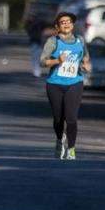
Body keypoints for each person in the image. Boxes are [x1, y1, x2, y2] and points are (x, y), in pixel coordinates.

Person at [40, 12, 91, 160]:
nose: (66, 24)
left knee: (71, 118)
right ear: (57, 26)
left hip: (75, 83)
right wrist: (57, 61)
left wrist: (86, 65)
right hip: (55, 84)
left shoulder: (80, 40)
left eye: (69, 22)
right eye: (63, 22)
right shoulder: (53, 41)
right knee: (58, 119)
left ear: (73, 25)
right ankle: (59, 140)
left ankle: (71, 149)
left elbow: (85, 57)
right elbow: (42, 61)